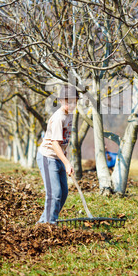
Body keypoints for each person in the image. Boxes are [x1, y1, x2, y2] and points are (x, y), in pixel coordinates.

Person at [37, 85, 79, 225]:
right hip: (48, 157)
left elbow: (63, 140)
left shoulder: (70, 114)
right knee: (54, 193)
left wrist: (65, 157)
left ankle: (45, 221)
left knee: (63, 193)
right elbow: (55, 143)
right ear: (61, 101)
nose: (71, 104)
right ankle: (49, 225)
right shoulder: (58, 118)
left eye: (74, 101)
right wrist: (67, 162)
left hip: (59, 157)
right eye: (68, 102)